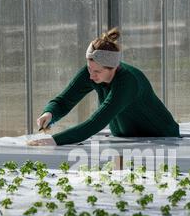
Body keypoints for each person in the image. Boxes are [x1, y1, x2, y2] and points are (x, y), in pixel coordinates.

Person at [28, 27, 180, 146]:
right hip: (126, 139)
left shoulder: (128, 82)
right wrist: (49, 113)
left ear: (113, 68)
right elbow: (64, 100)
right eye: (89, 68)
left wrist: (56, 140)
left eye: (97, 71)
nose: (91, 76)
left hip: (161, 137)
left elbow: (97, 121)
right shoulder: (93, 71)